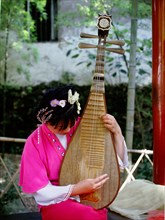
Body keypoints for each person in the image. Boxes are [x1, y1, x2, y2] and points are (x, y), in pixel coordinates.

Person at [19, 85, 128, 220]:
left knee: (95, 213)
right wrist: (76, 189)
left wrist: (117, 132)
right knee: (87, 216)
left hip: (89, 196)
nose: (67, 130)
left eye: (70, 124)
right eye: (59, 127)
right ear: (44, 119)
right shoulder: (35, 142)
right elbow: (41, 192)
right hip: (56, 201)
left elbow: (117, 164)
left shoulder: (82, 127)